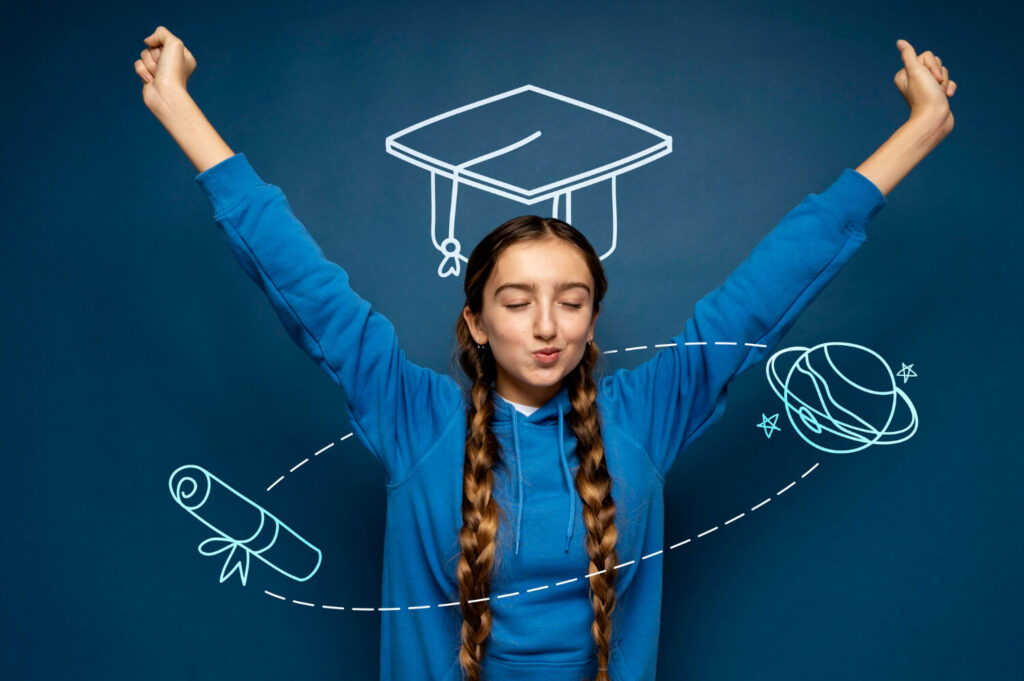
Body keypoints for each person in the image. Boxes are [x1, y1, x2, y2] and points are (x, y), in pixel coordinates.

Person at [135, 26, 956, 681]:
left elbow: (770, 284)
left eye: (571, 301)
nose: (546, 324)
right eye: (517, 301)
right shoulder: (412, 413)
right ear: (477, 322)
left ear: (594, 321)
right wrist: (176, 106)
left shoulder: (644, 414)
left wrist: (918, 131)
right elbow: (296, 275)